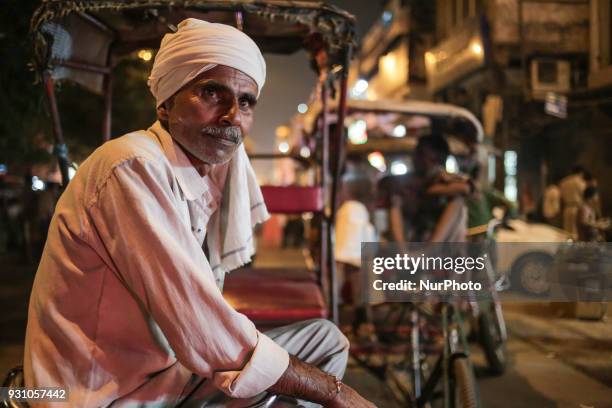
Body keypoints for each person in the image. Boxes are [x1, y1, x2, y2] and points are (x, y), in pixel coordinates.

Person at [24, 19, 375, 408]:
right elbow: (204, 328)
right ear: (166, 102)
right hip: (103, 393)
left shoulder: (205, 176)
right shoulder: (132, 165)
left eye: (245, 102)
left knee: (324, 341)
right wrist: (337, 393)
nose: (231, 115)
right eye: (212, 93)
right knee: (293, 378)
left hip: (163, 375)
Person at [559, 165, 586, 238]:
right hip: (577, 209)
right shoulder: (581, 182)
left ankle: (568, 248)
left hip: (567, 208)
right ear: (581, 173)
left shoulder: (563, 182)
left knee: (566, 232)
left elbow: (561, 197)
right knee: (576, 231)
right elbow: (584, 195)